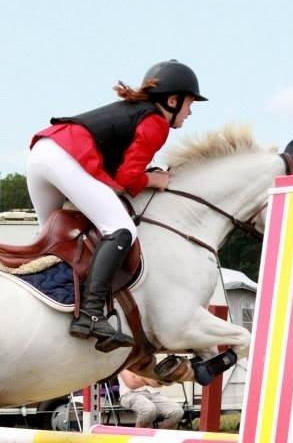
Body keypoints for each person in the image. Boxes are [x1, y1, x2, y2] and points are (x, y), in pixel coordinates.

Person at [27, 60, 207, 351]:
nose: (189, 112)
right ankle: (91, 313)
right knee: (121, 229)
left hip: (42, 153)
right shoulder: (156, 123)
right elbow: (127, 178)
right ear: (172, 101)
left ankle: (46, 308)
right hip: (65, 156)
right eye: (189, 104)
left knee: (50, 241)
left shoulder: (136, 113)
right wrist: (153, 180)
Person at [117, 369, 183, 430]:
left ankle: (158, 435)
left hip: (152, 393)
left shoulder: (148, 364)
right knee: (149, 409)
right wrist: (147, 379)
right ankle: (138, 436)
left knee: (177, 411)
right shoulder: (125, 364)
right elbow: (132, 384)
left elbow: (157, 384)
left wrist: (140, 378)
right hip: (130, 394)